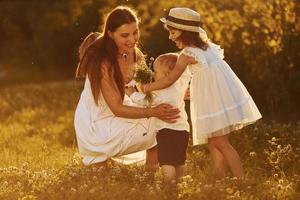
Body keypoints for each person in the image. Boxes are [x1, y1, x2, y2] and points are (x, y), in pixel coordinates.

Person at [141, 8, 262, 178]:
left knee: (221, 142)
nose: (170, 37)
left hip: (213, 99)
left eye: (173, 32)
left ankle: (241, 180)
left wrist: (147, 88)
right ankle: (219, 177)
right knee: (214, 143)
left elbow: (170, 79)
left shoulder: (186, 54)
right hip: (219, 95)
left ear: (184, 32)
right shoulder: (207, 47)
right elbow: (207, 73)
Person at [74, 6, 180, 167]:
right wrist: (152, 112)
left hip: (123, 110)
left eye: (135, 32)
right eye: (125, 35)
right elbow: (116, 108)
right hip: (97, 121)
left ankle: (150, 176)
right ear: (110, 34)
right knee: (100, 180)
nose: (132, 39)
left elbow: (147, 88)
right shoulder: (104, 63)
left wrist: (176, 92)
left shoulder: (133, 53)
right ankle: (100, 158)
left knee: (163, 123)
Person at [128, 53, 191, 182]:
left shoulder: (160, 92)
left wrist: (132, 94)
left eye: (156, 71)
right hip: (183, 130)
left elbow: (145, 101)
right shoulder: (180, 85)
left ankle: (169, 185)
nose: (153, 74)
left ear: (168, 75)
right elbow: (185, 74)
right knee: (180, 160)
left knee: (167, 162)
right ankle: (182, 183)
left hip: (166, 131)